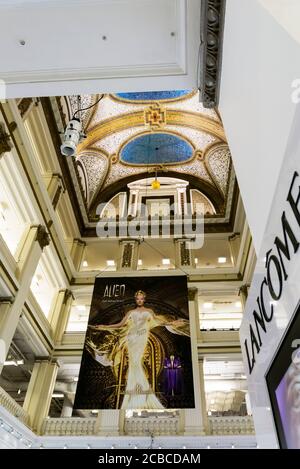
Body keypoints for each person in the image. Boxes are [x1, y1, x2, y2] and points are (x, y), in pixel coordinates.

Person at [86, 290, 189, 409]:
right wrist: (104, 326)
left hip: (142, 336)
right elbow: (120, 324)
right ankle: (139, 396)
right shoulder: (131, 312)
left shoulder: (149, 311)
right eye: (138, 299)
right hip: (131, 337)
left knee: (136, 363)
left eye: (141, 299)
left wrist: (172, 322)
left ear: (144, 299)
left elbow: (158, 320)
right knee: (134, 364)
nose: (139, 300)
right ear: (136, 300)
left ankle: (137, 396)